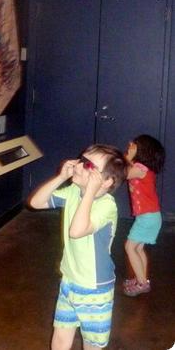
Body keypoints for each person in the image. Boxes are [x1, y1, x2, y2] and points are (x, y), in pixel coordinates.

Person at [28, 144, 127, 350]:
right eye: (81, 159)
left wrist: (90, 192)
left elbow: (77, 230)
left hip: (94, 288)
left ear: (107, 181)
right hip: (69, 280)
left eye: (89, 165)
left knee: (92, 344)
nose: (80, 165)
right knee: (61, 339)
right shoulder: (74, 191)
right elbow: (36, 203)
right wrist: (61, 177)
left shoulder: (106, 205)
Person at [123, 134, 165, 297]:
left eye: (135, 144)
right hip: (150, 216)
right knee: (138, 248)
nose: (130, 144)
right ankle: (143, 279)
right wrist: (130, 157)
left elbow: (123, 173)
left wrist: (129, 157)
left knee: (129, 247)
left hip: (148, 217)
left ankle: (141, 283)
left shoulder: (140, 169)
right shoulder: (141, 167)